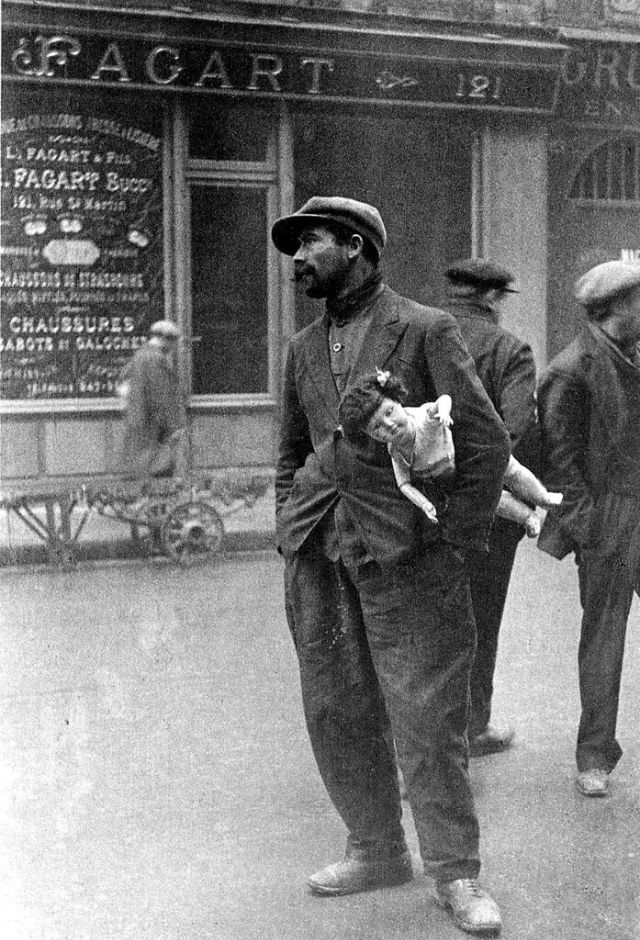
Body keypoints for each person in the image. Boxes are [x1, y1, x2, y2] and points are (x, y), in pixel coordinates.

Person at [272, 196, 510, 935]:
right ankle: (375, 848)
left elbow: (487, 444)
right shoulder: (303, 348)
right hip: (322, 553)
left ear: (356, 246)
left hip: (410, 558)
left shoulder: (425, 329)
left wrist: (455, 539)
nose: (297, 259)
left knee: (426, 717)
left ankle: (457, 874)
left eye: (309, 243)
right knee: (336, 709)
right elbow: (289, 453)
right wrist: (290, 523)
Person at [537, 259, 640, 798]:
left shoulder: (635, 355)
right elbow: (561, 465)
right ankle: (593, 756)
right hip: (610, 517)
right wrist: (591, 529)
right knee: (604, 639)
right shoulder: (570, 370)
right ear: (618, 307)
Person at [444, 259, 540, 756]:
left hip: (417, 503)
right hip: (486, 510)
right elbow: (517, 430)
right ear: (493, 297)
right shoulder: (509, 350)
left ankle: (414, 736)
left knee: (422, 621)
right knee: (482, 615)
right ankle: (471, 726)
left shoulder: (414, 334)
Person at [338, 367, 561, 536]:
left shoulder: (424, 418)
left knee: (510, 470)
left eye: (389, 411)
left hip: (467, 451)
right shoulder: (395, 451)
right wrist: (424, 504)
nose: (389, 425)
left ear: (397, 401)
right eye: (377, 428)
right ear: (370, 436)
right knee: (490, 498)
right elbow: (403, 484)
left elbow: (443, 399)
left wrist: (444, 412)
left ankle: (543, 497)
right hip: (451, 476)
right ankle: (527, 517)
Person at [119, 319, 187, 479]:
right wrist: (171, 425)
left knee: (141, 466)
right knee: (154, 470)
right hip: (151, 423)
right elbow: (159, 395)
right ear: (165, 339)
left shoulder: (141, 354)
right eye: (173, 341)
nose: (174, 347)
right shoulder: (155, 359)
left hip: (139, 420)